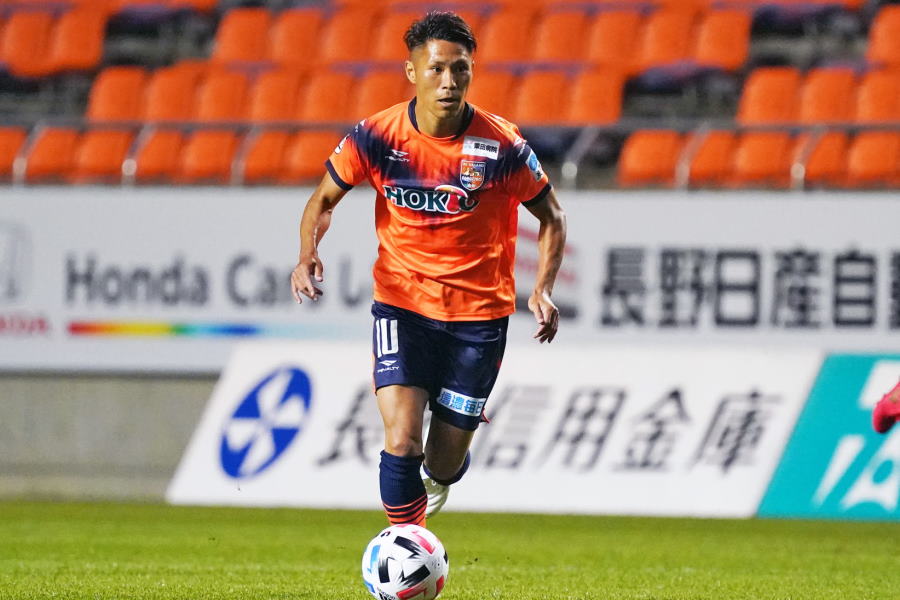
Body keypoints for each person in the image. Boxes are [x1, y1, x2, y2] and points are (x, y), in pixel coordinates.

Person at [291, 11, 566, 527]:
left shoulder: (501, 145)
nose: (449, 81)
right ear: (412, 71)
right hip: (402, 305)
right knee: (401, 439)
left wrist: (543, 289)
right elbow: (322, 200)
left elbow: (552, 216)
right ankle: (406, 543)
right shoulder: (376, 136)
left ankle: (444, 471)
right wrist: (307, 252)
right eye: (437, 68)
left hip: (478, 317)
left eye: (460, 69)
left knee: (441, 461)